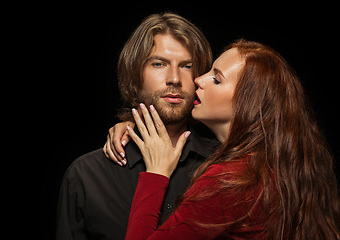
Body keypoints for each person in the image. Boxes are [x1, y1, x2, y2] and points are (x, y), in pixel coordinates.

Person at [107, 39, 340, 239]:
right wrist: (131, 124)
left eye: (216, 79)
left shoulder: (232, 181)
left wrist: (156, 173)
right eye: (208, 71)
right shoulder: (274, 167)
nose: (199, 79)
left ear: (246, 104)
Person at [55, 12, 216, 240]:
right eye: (159, 64)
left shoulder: (224, 166)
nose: (174, 78)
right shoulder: (87, 176)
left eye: (187, 66)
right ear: (134, 77)